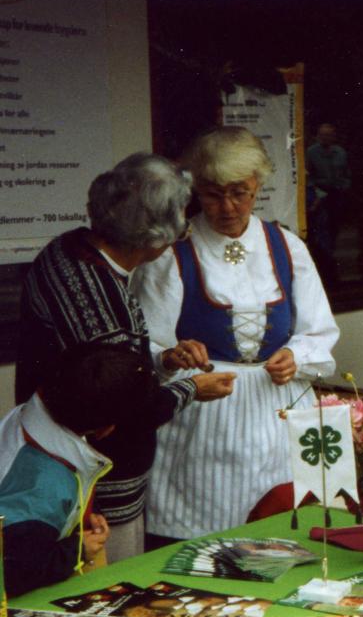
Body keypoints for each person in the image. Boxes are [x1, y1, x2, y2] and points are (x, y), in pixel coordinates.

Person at [16, 154, 236, 561]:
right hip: (97, 484)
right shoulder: (105, 301)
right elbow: (131, 406)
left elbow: (110, 361)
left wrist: (164, 360)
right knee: (108, 593)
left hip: (53, 460)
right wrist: (192, 388)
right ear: (156, 236)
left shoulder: (65, 249)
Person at [135, 126, 340, 542]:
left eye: (239, 193)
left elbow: (319, 330)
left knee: (278, 535)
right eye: (213, 194)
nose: (227, 206)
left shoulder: (286, 246)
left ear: (258, 186)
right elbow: (143, 345)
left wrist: (296, 355)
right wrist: (171, 355)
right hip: (204, 419)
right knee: (202, 542)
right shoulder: (173, 253)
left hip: (275, 416)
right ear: (196, 191)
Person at [1, 344, 160, 597]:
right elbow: (14, 570)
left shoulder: (32, 415)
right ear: (105, 429)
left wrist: (80, 511)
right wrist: (77, 550)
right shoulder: (45, 487)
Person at [305, 122, 351, 279]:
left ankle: (331, 263)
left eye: (329, 135)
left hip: (336, 194)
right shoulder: (311, 153)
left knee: (334, 228)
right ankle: (323, 265)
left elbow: (346, 174)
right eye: (323, 135)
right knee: (320, 231)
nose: (326, 138)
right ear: (318, 136)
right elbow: (307, 176)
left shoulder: (341, 152)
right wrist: (316, 194)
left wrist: (344, 187)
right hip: (319, 195)